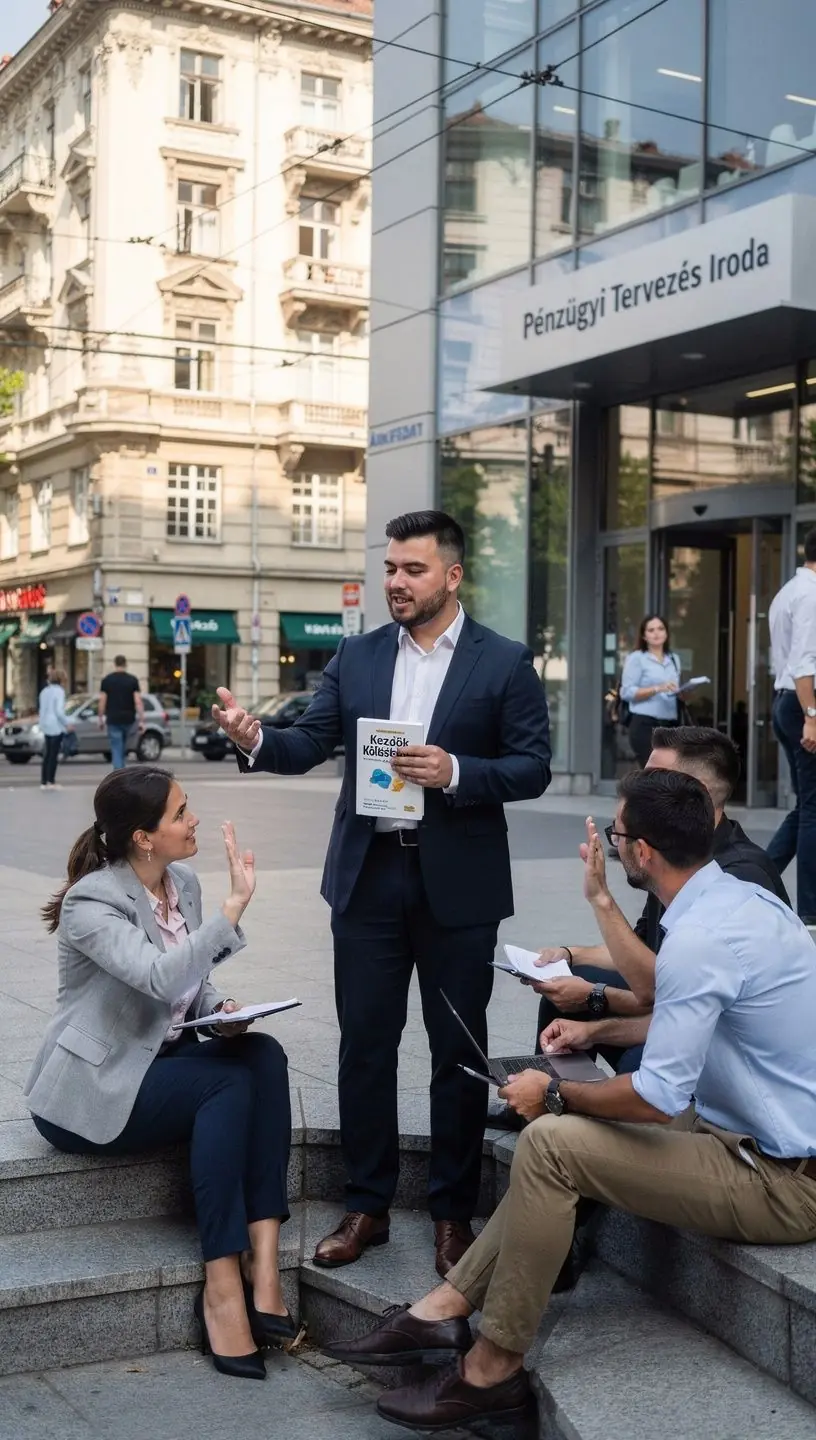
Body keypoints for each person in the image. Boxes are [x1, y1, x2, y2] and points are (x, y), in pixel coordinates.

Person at [329, 769, 816, 1431]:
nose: (614, 846)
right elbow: (665, 992)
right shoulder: (733, 901)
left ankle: (492, 1371)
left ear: (641, 853)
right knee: (556, 1138)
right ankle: (439, 1313)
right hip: (735, 1134)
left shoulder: (704, 937)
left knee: (554, 1142)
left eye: (618, 836)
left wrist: (554, 1093)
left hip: (780, 1179)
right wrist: (602, 909)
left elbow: (654, 1095)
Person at [213, 510, 552, 1278]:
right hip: (368, 879)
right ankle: (366, 1205)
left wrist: (458, 772)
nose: (396, 583)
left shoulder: (503, 662)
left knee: (454, 1053)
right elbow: (307, 742)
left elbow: (533, 765)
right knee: (365, 1046)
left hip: (457, 885)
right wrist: (253, 735)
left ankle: (451, 1216)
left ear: (452, 576)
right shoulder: (359, 655)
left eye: (413, 570)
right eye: (391, 569)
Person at [23, 768, 293, 1381]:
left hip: (159, 1058)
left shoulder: (184, 883)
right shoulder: (90, 902)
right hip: (92, 1089)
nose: (192, 819)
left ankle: (266, 1263)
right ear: (143, 837)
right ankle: (222, 1284)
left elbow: (187, 988)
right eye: (179, 813)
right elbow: (156, 976)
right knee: (226, 1085)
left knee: (263, 1055)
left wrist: (219, 1009)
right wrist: (232, 912)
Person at [528, 727, 790, 1080]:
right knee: (566, 986)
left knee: (639, 1064)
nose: (639, 786)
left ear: (693, 793)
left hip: (725, 1046)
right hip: (675, 1002)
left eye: (655, 777)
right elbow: (641, 948)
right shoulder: (672, 851)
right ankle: (538, 1102)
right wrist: (570, 954)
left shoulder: (740, 875)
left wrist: (594, 995)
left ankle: (571, 1109)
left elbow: (672, 996)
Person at [767, 526, 816, 924]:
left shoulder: (788, 591)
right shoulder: (812, 595)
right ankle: (812, 911)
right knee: (814, 809)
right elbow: (804, 663)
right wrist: (812, 716)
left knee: (806, 806)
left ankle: (752, 878)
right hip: (804, 706)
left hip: (787, 702)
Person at [618, 615, 681, 768]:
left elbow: (674, 689)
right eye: (651, 630)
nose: (656, 633)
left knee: (670, 772)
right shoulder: (637, 658)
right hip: (645, 724)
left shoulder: (673, 659)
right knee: (653, 772)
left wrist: (682, 691)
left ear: (666, 633)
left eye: (660, 629)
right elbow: (626, 692)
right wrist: (657, 688)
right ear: (644, 635)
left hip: (669, 724)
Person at [99, 656, 144, 770]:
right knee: (123, 747)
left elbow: (102, 701)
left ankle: (118, 772)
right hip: (129, 718)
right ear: (125, 664)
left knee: (116, 746)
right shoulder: (132, 680)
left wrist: (100, 718)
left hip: (113, 718)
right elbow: (138, 701)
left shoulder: (107, 680)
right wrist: (142, 720)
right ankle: (121, 770)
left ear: (115, 664)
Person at [38, 666, 71, 791]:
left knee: (47, 754)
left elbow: (42, 710)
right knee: (53, 754)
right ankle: (51, 781)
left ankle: (43, 781)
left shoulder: (44, 691)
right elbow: (59, 711)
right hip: (56, 726)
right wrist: (67, 723)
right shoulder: (59, 692)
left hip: (46, 725)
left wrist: (42, 724)